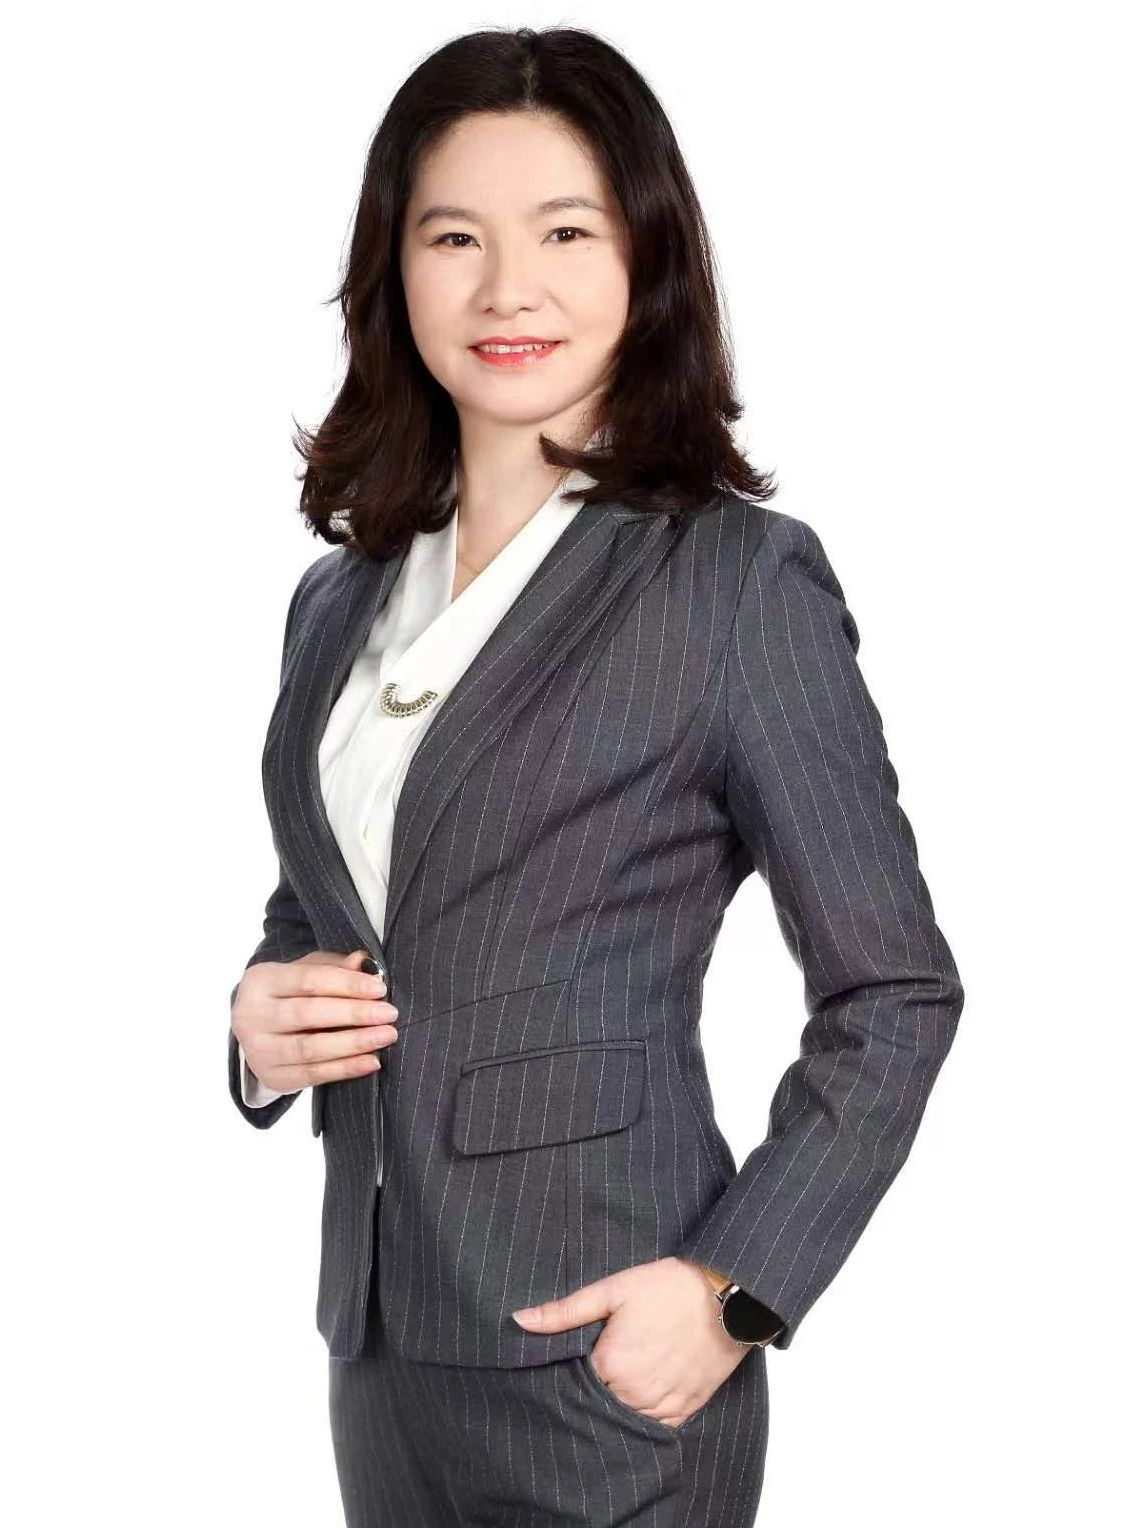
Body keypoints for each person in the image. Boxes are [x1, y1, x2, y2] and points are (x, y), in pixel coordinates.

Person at [228, 25, 964, 1527]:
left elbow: (895, 992)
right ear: (394, 271)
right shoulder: (341, 597)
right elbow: (336, 896)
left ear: (648, 257)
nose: (510, 288)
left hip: (610, 1364)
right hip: (379, 1350)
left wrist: (734, 1289)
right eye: (455, 238)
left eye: (566, 232)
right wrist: (259, 1021)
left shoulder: (734, 584)